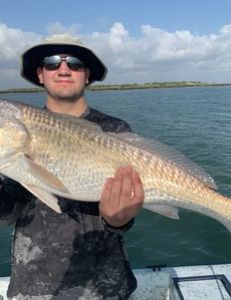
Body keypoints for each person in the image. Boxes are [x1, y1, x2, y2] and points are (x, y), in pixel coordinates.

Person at [0, 34, 144, 299]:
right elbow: (8, 212)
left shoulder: (115, 131)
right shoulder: (14, 147)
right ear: (41, 74)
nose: (63, 69)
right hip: (34, 286)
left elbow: (124, 216)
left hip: (104, 286)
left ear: (87, 74)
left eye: (75, 63)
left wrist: (118, 220)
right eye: (52, 63)